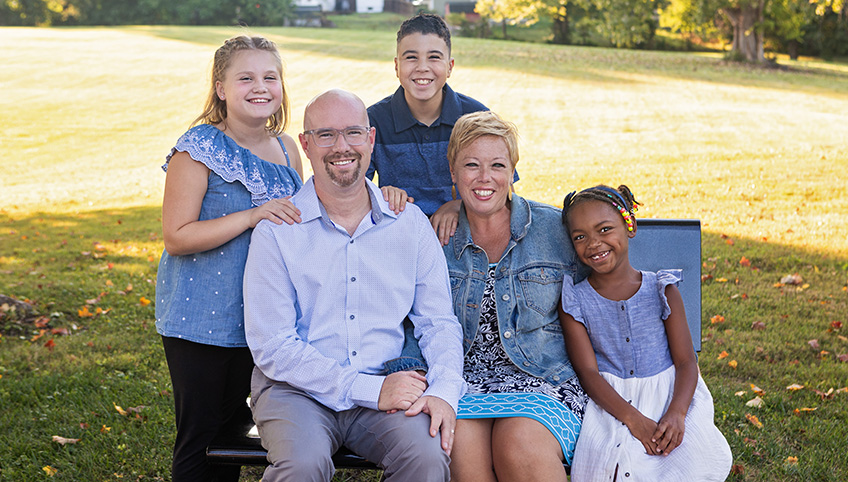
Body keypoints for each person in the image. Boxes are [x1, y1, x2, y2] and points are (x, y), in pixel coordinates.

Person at [242, 89, 466, 482]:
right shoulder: (277, 233)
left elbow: (438, 322)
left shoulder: (408, 224)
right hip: (296, 391)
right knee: (302, 465)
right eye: (325, 135)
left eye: (353, 133)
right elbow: (273, 345)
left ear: (371, 139)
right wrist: (367, 389)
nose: (341, 146)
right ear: (306, 145)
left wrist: (444, 390)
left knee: (428, 456)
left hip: (387, 384)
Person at [388, 110, 588, 481]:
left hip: (544, 378)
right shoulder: (435, 239)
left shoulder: (553, 229)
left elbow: (600, 294)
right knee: (459, 446)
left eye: (497, 165)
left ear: (513, 171)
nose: (485, 178)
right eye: (471, 165)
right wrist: (413, 375)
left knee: (519, 447)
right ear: (452, 172)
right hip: (461, 382)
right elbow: (413, 321)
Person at [155, 35, 304, 481]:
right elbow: (176, 236)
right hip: (200, 318)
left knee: (235, 435)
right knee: (201, 439)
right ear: (221, 88)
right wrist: (252, 215)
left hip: (262, 316)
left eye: (269, 77)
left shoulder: (287, 149)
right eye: (246, 78)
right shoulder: (196, 148)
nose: (260, 87)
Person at [559, 185, 732, 481]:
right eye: (580, 236)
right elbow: (588, 373)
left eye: (604, 229)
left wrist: (677, 413)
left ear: (630, 227)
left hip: (670, 395)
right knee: (615, 465)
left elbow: (686, 362)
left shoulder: (661, 289)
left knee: (691, 458)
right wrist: (633, 419)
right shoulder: (575, 302)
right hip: (610, 402)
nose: (594, 243)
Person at [366, 13, 517, 243]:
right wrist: (380, 195)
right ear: (396, 66)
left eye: (434, 57)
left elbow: (506, 195)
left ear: (450, 66)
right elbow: (353, 192)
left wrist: (459, 205)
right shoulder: (373, 121)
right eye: (411, 57)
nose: (422, 67)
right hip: (397, 239)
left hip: (464, 239)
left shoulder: (476, 117)